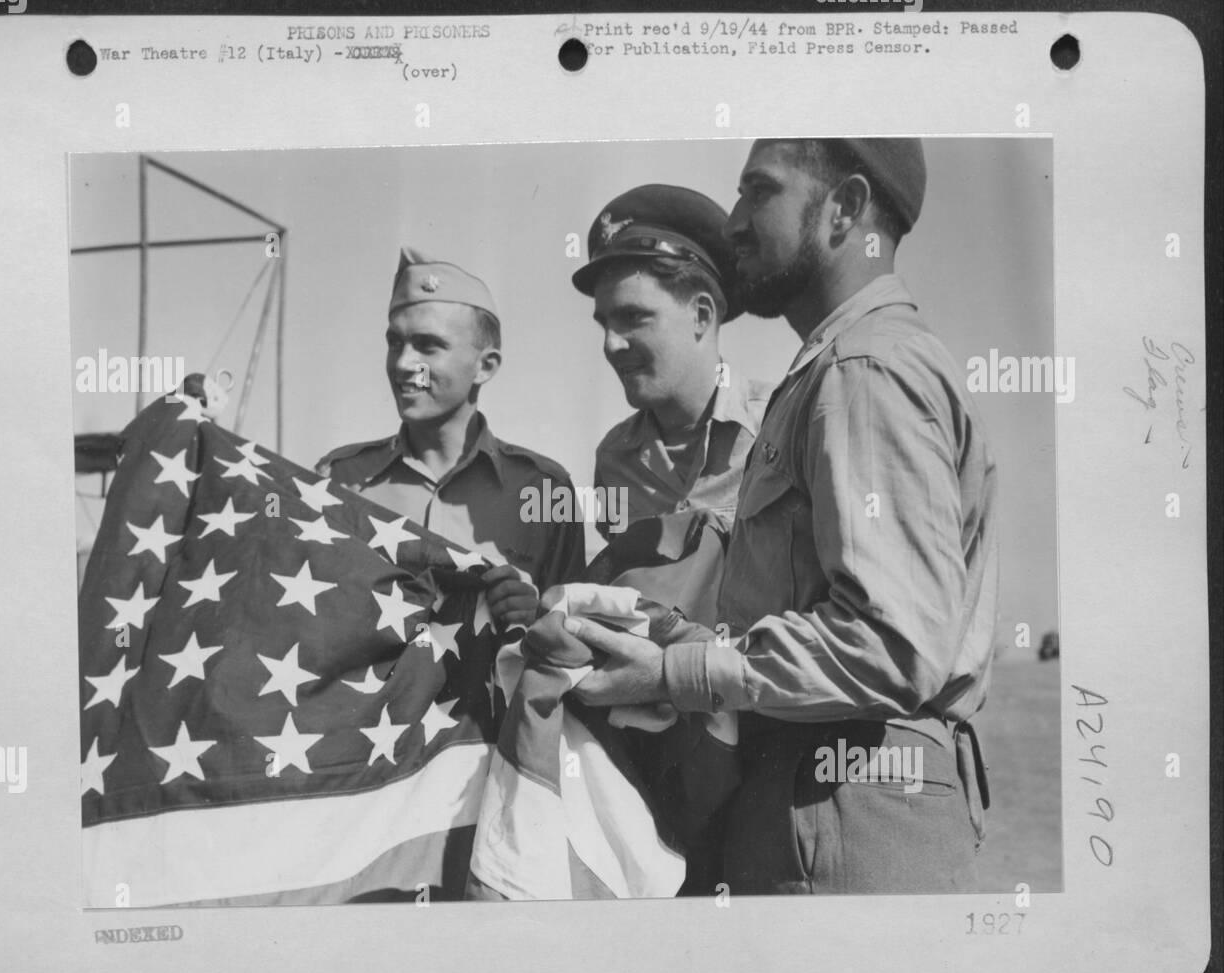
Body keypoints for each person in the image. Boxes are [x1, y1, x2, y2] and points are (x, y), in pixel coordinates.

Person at [562, 138, 998, 895]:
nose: (733, 222)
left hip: (851, 792)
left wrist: (672, 669)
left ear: (846, 210)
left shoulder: (865, 369)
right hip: (802, 789)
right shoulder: (837, 369)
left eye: (758, 192)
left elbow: (892, 643)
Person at [318, 248, 585, 626]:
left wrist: (535, 613)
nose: (404, 364)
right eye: (395, 343)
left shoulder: (545, 490)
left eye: (428, 346)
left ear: (485, 366)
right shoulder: (340, 478)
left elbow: (573, 640)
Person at [572, 184, 771, 539]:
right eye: (605, 324)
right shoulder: (614, 460)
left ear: (701, 315)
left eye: (633, 317)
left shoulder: (780, 427)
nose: (611, 344)